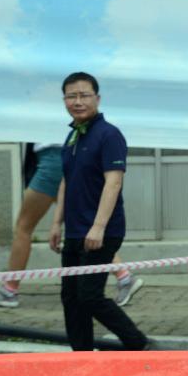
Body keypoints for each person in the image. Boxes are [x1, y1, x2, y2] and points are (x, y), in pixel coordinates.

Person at [0, 143, 144, 308]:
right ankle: (124, 277)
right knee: (83, 227)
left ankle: (9, 290)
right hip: (68, 158)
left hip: (51, 162)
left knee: (23, 227)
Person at [50, 72, 148, 351]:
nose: (77, 101)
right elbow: (67, 181)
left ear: (97, 98)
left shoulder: (109, 135)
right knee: (71, 297)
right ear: (64, 100)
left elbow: (114, 181)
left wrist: (99, 227)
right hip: (74, 231)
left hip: (103, 231)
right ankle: (80, 354)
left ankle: (138, 343)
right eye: (71, 96)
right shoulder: (72, 136)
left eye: (84, 95)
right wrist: (57, 222)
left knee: (89, 296)